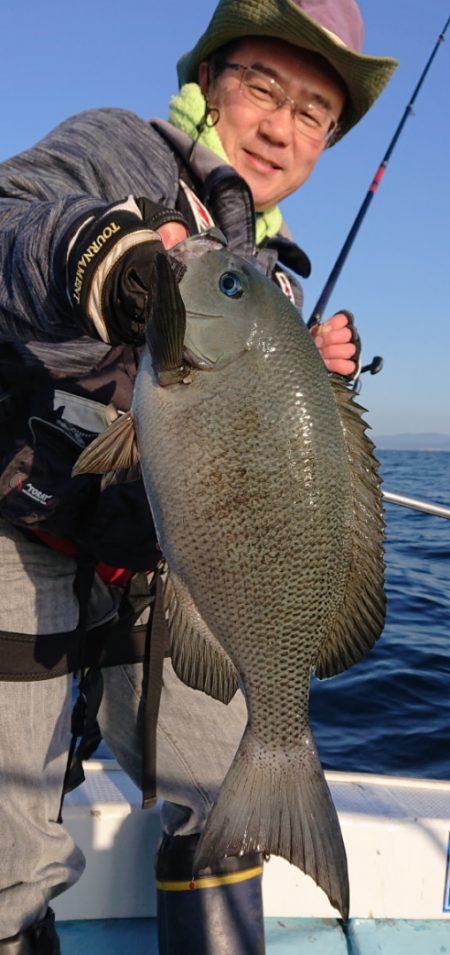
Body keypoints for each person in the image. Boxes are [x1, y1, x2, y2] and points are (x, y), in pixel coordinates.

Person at [0, 0, 397, 951]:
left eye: (314, 113)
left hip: (166, 551)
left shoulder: (271, 273)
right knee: (7, 855)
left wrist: (315, 398)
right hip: (21, 520)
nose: (280, 127)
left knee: (225, 790)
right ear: (209, 81)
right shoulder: (114, 149)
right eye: (263, 87)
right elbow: (12, 219)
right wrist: (90, 251)